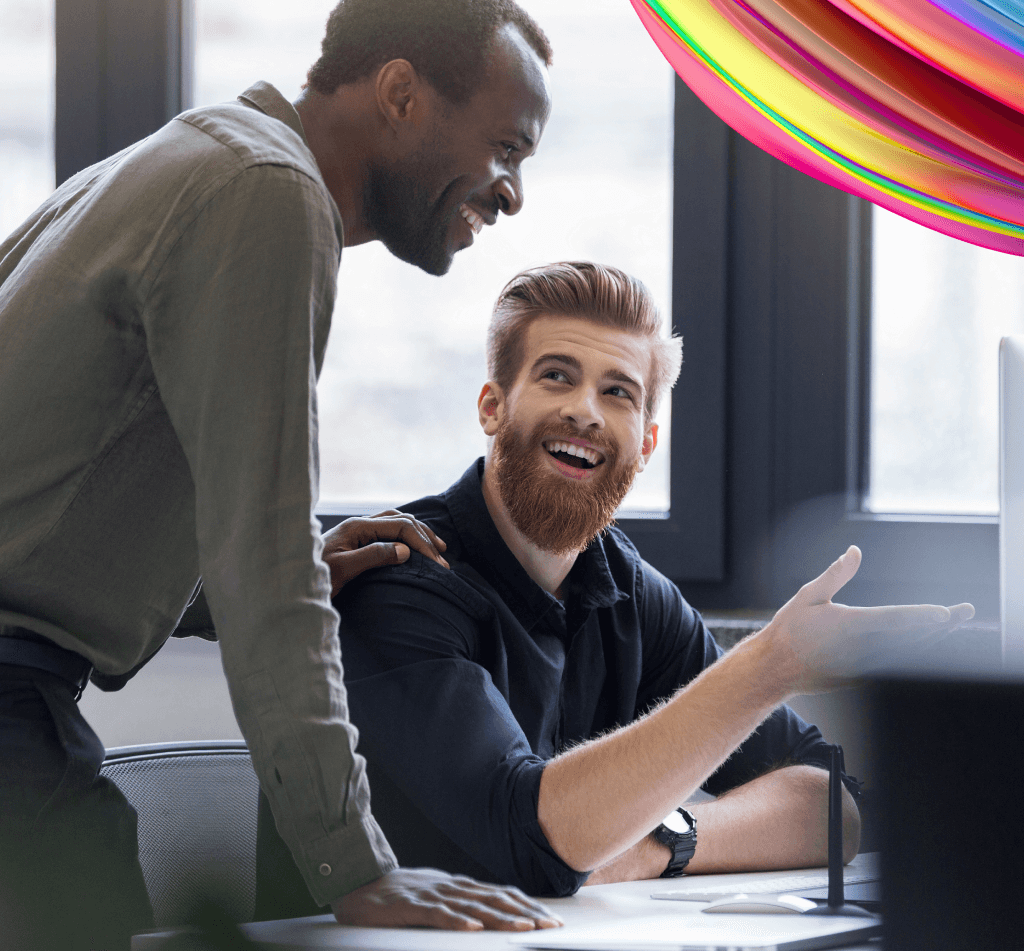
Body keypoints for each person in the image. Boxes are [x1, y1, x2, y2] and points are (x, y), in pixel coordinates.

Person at [0, 0, 559, 950]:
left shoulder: (183, 160)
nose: (512, 194)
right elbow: (265, 558)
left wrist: (240, 578)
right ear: (398, 94)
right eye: (506, 147)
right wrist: (356, 865)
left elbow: (54, 498)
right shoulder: (267, 195)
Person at [307, 260, 974, 897]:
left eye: (617, 391)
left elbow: (836, 806)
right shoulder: (399, 576)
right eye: (557, 377)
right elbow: (531, 839)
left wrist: (660, 841)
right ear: (491, 407)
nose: (586, 412)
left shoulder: (629, 591)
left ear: (647, 443)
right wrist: (770, 664)